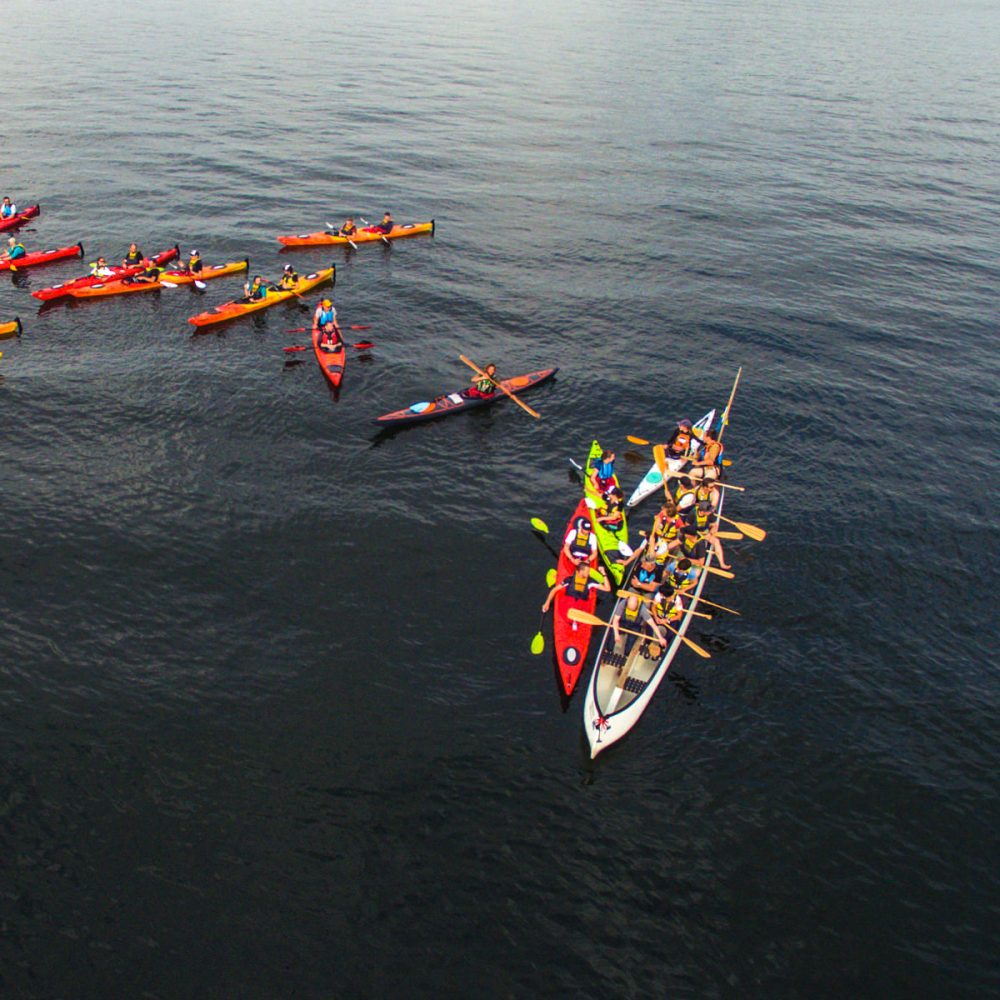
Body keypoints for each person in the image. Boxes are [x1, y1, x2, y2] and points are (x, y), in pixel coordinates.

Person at [541, 562, 610, 614]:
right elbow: (554, 589)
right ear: (581, 571)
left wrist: (604, 573)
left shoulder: (590, 581)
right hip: (569, 604)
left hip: (581, 606)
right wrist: (547, 602)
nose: (589, 573)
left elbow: (607, 589)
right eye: (587, 571)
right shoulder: (569, 580)